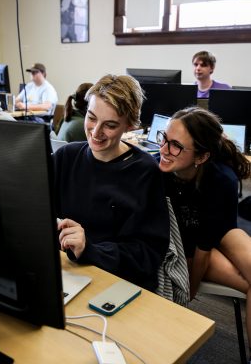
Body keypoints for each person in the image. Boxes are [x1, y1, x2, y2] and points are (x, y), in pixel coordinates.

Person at [53, 74, 170, 291]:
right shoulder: (66, 157)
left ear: (130, 125)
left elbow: (147, 254)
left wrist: (89, 248)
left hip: (118, 281)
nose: (96, 132)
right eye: (91, 117)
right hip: (69, 271)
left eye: (110, 125)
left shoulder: (144, 172)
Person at [156, 106, 251, 359]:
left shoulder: (221, 179)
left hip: (215, 236)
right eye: (163, 138)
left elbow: (207, 243)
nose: (163, 150)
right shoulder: (160, 172)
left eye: (175, 145)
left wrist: (190, 290)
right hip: (184, 243)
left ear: (201, 157)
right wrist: (189, 291)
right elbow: (189, 247)